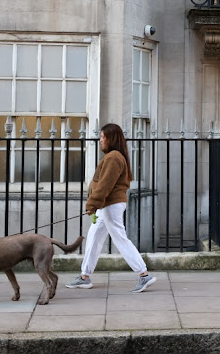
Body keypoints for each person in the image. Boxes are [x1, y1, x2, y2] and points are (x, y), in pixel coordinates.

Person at [66, 123, 156, 292]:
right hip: (107, 205)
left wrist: (92, 204)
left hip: (110, 205)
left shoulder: (114, 157)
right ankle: (85, 276)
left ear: (111, 138)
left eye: (102, 137)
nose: (100, 140)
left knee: (120, 238)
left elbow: (105, 185)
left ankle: (144, 275)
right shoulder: (113, 156)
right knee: (93, 237)